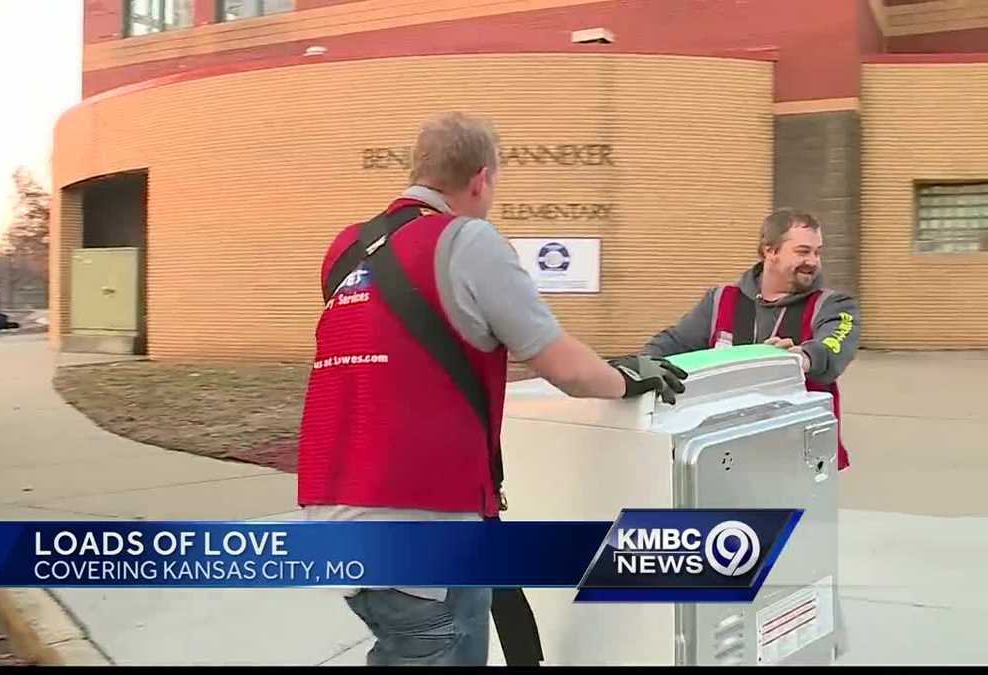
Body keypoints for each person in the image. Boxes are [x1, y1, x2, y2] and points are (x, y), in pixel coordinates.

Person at [296, 112, 688, 667]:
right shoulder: (467, 240)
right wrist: (628, 376)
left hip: (331, 512)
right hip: (423, 522)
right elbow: (564, 366)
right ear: (480, 179)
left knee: (403, 644)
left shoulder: (346, 249)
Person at [642, 208, 860, 471]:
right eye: (803, 251)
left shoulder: (834, 305)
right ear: (770, 251)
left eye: (818, 252)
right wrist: (640, 365)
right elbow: (675, 341)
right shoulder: (722, 300)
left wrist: (802, 357)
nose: (813, 261)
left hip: (800, 459)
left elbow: (833, 346)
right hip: (725, 455)